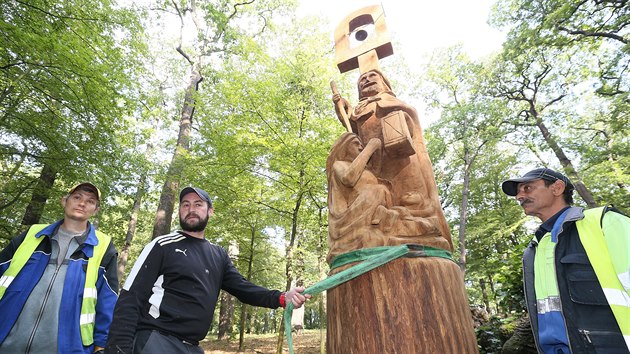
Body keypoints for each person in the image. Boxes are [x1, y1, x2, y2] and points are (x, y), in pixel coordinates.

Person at [105, 186, 310, 354]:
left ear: (210, 211)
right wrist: (117, 350)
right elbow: (130, 298)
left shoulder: (218, 255)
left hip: (193, 347)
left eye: (198, 204)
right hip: (156, 341)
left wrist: (282, 297)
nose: (191, 209)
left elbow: (243, 288)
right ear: (179, 211)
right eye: (185, 205)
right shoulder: (162, 245)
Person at [502, 168, 630, 353]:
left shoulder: (605, 223)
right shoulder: (535, 249)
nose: (519, 196)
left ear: (557, 188)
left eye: (527, 188)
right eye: (518, 192)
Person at [332, 69, 452, 249]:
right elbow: (351, 126)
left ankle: (415, 222)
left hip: (401, 158)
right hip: (376, 162)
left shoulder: (393, 102)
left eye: (372, 77)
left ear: (385, 83)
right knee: (383, 192)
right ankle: (388, 222)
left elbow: (410, 118)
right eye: (362, 80)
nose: (367, 80)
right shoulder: (360, 109)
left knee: (408, 195)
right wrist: (341, 106)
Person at [0, 182, 118, 354]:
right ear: (64, 201)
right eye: (77, 197)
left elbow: (108, 300)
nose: (82, 203)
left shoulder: (103, 247)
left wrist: (101, 345)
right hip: (7, 340)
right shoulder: (33, 235)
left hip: (67, 347)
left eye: (90, 201)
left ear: (95, 210)